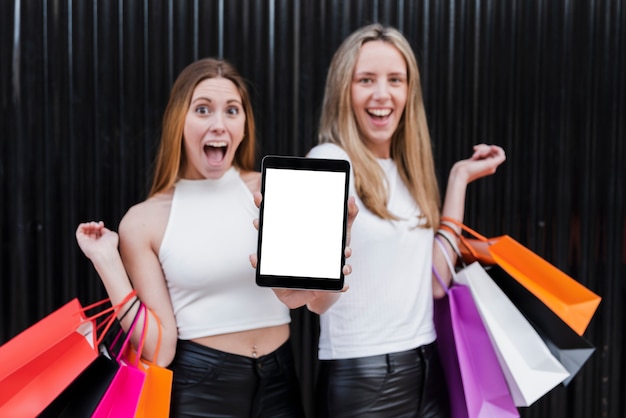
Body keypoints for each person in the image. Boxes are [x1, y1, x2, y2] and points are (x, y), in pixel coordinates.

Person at [75, 57, 317, 417]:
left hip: (281, 382)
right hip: (200, 391)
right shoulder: (143, 221)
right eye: (203, 110)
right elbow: (161, 351)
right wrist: (107, 261)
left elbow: (316, 296)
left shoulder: (276, 190)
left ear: (245, 125)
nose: (219, 124)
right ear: (179, 122)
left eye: (232, 111)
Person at [302, 24, 507, 417]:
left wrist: (458, 179)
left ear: (409, 91)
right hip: (361, 378)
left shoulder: (408, 171)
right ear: (344, 89)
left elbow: (434, 282)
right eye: (366, 80)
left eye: (395, 80)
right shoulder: (328, 161)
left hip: (426, 367)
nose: (383, 94)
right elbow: (316, 298)